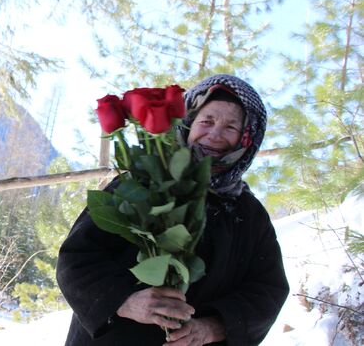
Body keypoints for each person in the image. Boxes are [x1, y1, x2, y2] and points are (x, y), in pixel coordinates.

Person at [56, 74, 290, 345]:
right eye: (207, 120)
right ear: (189, 122)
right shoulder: (139, 182)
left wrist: (213, 327)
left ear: (247, 138)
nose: (215, 134)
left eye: (230, 127)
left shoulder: (248, 214)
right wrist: (125, 301)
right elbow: (77, 258)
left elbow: (267, 289)